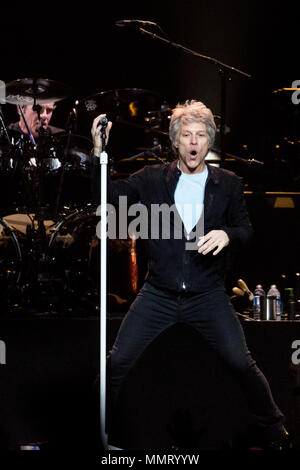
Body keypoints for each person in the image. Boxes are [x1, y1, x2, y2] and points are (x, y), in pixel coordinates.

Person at [91, 99, 289, 450]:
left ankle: (274, 431)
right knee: (117, 361)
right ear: (176, 142)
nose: (193, 142)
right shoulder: (153, 179)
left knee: (240, 363)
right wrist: (98, 152)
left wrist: (227, 234)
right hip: (159, 293)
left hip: (207, 294)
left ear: (209, 142)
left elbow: (247, 230)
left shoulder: (227, 183)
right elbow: (108, 197)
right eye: (186, 135)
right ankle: (99, 431)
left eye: (200, 135)